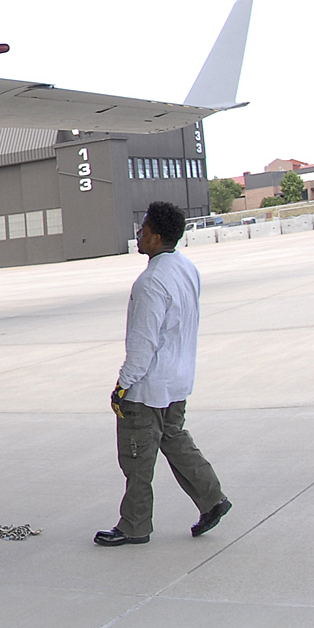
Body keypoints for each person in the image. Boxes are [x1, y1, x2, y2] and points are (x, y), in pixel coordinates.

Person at [94, 200, 231, 546]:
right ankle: (212, 498)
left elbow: (142, 347)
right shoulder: (186, 268)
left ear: (155, 237)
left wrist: (122, 386)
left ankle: (134, 526)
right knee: (175, 438)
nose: (138, 234)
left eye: (143, 229)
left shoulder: (150, 282)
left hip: (148, 389)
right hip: (178, 381)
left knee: (137, 458)